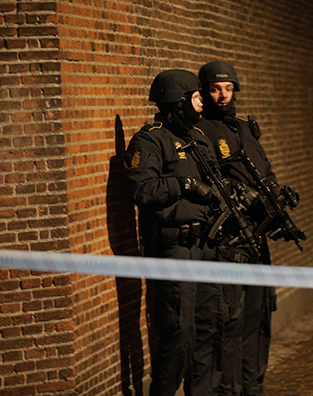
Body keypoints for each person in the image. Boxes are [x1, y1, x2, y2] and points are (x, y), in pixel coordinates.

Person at [124, 69, 215, 396]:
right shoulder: (150, 140)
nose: (201, 101)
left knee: (207, 330)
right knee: (179, 332)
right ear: (179, 101)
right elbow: (142, 189)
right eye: (195, 96)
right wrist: (183, 184)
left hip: (205, 245)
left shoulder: (198, 138)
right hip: (174, 248)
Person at [195, 60, 278, 396]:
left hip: (257, 238)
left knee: (259, 318)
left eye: (228, 88)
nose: (223, 95)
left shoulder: (244, 128)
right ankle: (230, 389)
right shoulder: (201, 131)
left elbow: (265, 170)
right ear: (204, 91)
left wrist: (275, 198)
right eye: (216, 89)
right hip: (229, 241)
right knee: (229, 321)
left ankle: (253, 387)